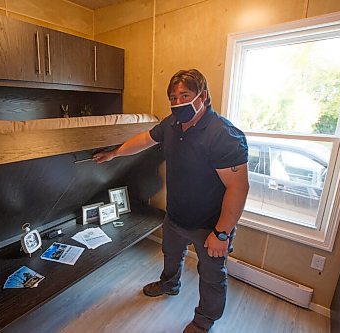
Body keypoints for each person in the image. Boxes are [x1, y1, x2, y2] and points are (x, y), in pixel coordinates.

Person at [93, 69, 249, 333]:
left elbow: (239, 187)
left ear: (203, 96)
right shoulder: (171, 124)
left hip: (209, 225)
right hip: (175, 215)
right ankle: (169, 284)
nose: (178, 103)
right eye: (173, 97)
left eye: (185, 95)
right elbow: (145, 139)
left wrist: (221, 234)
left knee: (211, 277)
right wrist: (115, 154)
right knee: (171, 255)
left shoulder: (223, 134)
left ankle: (204, 320)